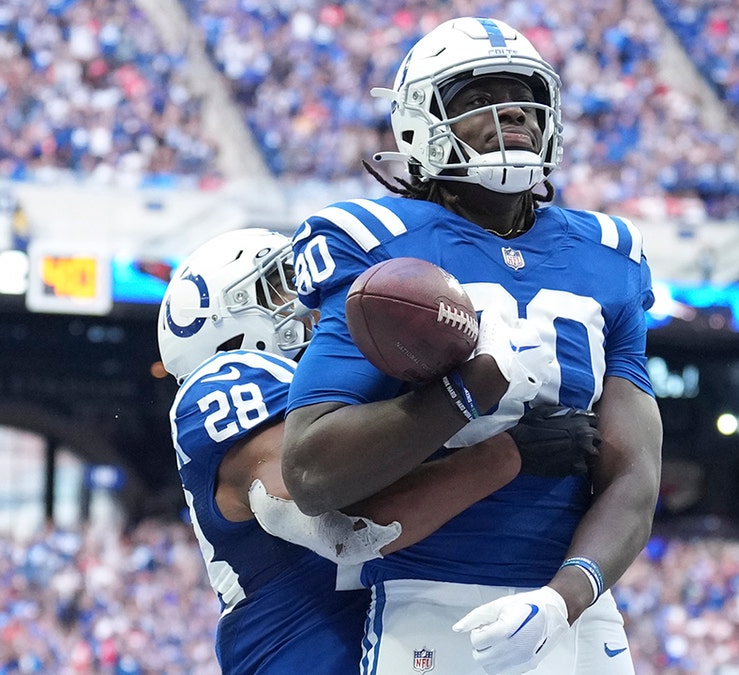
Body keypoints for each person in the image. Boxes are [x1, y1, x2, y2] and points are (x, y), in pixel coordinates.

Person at [280, 16, 663, 675]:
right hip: (430, 594)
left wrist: (560, 599)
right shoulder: (375, 244)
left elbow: (634, 473)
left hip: (571, 606)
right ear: (418, 122)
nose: (510, 109)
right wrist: (466, 398)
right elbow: (311, 470)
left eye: (523, 94)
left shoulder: (609, 256)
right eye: (477, 95)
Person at [158, 228, 599, 673]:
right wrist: (505, 452)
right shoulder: (224, 383)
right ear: (218, 324)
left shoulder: (337, 396)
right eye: (281, 284)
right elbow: (344, 530)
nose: (308, 300)